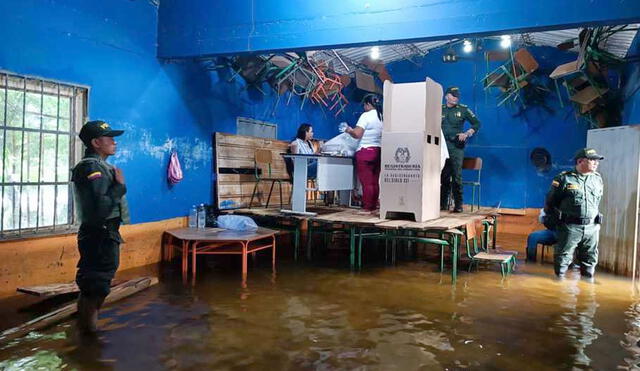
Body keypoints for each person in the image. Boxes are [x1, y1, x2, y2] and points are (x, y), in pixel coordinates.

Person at [72, 120, 129, 334]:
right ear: (96, 142)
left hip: (104, 233)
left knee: (96, 286)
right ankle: (88, 341)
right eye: (110, 138)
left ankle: (86, 333)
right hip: (99, 235)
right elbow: (101, 207)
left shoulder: (100, 166)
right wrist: (120, 186)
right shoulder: (91, 167)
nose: (114, 142)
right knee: (95, 287)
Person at [544, 148, 604, 279]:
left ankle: (588, 290)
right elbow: (551, 202)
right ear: (580, 161)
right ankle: (558, 288)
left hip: (592, 228)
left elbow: (597, 201)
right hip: (570, 227)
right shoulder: (564, 179)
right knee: (563, 260)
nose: (596, 163)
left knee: (590, 260)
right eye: (592, 160)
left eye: (597, 160)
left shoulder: (597, 179)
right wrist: (555, 223)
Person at [440, 86, 481, 213]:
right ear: (446, 96)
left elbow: (477, 123)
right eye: (453, 95)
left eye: (457, 95)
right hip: (441, 146)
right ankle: (442, 204)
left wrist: (467, 133)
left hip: (455, 146)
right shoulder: (439, 109)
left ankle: (458, 205)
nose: (456, 98)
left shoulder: (463, 109)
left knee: (456, 176)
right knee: (443, 176)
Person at [341, 94, 383, 215]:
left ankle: (367, 208)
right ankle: (374, 206)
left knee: (367, 182)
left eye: (364, 105)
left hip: (365, 152)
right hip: (378, 151)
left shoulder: (366, 116)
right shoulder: (382, 116)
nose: (364, 107)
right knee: (375, 181)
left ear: (368, 104)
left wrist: (349, 130)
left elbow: (357, 134)